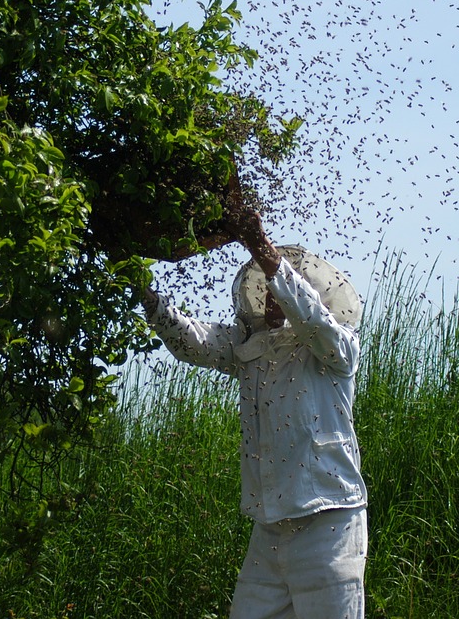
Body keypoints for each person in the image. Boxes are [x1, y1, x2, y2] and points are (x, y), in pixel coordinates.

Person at [142, 209, 367, 619]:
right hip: (269, 528)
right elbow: (193, 340)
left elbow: (313, 321)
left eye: (278, 289)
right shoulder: (249, 345)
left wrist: (261, 247)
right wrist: (148, 298)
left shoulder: (336, 347)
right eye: (266, 289)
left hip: (329, 524)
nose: (271, 297)